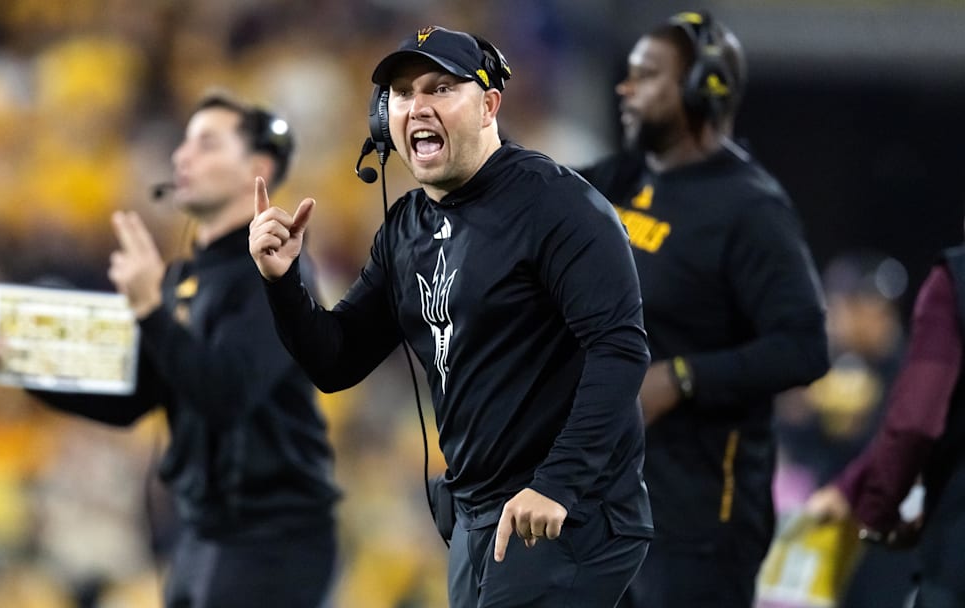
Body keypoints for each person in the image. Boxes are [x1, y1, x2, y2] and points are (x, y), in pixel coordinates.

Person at [250, 25, 653, 608]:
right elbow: (336, 360)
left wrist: (558, 484)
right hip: (479, 517)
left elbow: (619, 350)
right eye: (403, 94)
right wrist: (284, 281)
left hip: (569, 512)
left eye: (440, 88)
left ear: (489, 105)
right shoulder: (405, 227)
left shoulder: (558, 205)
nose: (418, 106)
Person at [0, 91, 340, 608]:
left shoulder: (275, 270)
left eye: (207, 144)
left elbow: (228, 395)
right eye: (184, 142)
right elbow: (133, 394)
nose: (182, 156)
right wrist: (13, 358)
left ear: (256, 169)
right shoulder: (189, 278)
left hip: (270, 536)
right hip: (205, 534)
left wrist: (150, 308)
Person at [576, 11, 830, 607]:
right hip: (608, 503)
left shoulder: (751, 210)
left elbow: (805, 345)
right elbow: (534, 198)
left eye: (646, 75)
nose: (625, 88)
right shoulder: (627, 178)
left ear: (700, 90)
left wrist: (682, 377)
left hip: (700, 522)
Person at [806, 235, 965, 607]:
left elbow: (913, 426)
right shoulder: (834, 372)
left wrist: (872, 509)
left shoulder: (917, 359)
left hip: (921, 534)